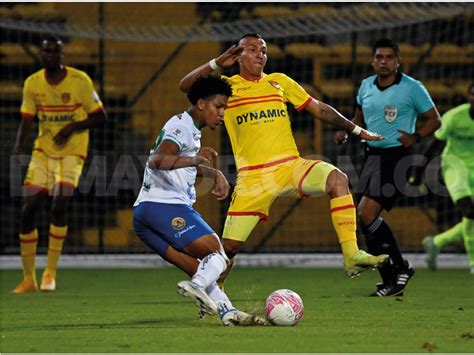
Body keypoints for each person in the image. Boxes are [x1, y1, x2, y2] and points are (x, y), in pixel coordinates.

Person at [178, 33, 389, 288]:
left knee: (337, 178)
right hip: (253, 178)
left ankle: (351, 254)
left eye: (264, 50)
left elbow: (318, 108)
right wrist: (216, 63)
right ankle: (215, 291)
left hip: (291, 167)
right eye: (253, 49)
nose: (260, 54)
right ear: (238, 55)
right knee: (228, 250)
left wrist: (357, 130)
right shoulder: (226, 86)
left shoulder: (279, 82)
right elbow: (186, 85)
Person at [133, 75, 266, 326]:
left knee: (200, 266)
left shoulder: (189, 128)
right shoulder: (181, 126)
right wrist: (195, 160)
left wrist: (213, 173)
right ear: (202, 104)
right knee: (218, 253)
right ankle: (196, 287)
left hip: (145, 215)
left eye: (225, 107)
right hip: (163, 206)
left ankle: (228, 312)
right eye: (219, 106)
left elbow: (179, 162)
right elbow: (157, 160)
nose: (222, 113)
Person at [335, 38, 442, 296]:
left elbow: (435, 120)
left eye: (389, 57)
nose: (383, 62)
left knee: (366, 214)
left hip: (397, 157)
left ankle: (401, 267)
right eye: (379, 57)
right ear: (373, 61)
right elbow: (358, 118)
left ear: (398, 61)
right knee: (364, 219)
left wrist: (415, 137)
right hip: (371, 156)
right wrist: (347, 130)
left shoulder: (412, 88)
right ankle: (391, 278)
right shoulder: (365, 86)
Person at [12, 36, 107, 293]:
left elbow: (100, 116)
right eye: (46, 51)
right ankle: (29, 278)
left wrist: (73, 126)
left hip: (72, 153)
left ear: (62, 54)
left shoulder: (80, 81)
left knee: (59, 203)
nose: (50, 55)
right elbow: (27, 119)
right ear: (41, 55)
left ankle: (50, 274)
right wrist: (19, 146)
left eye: (55, 51)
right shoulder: (33, 83)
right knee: (28, 209)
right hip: (43, 152)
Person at [422, 83, 474, 273]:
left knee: (472, 217)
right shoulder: (454, 117)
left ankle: (437, 242)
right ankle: (473, 263)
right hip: (455, 167)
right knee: (469, 211)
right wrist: (417, 172)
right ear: (469, 97)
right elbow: (434, 144)